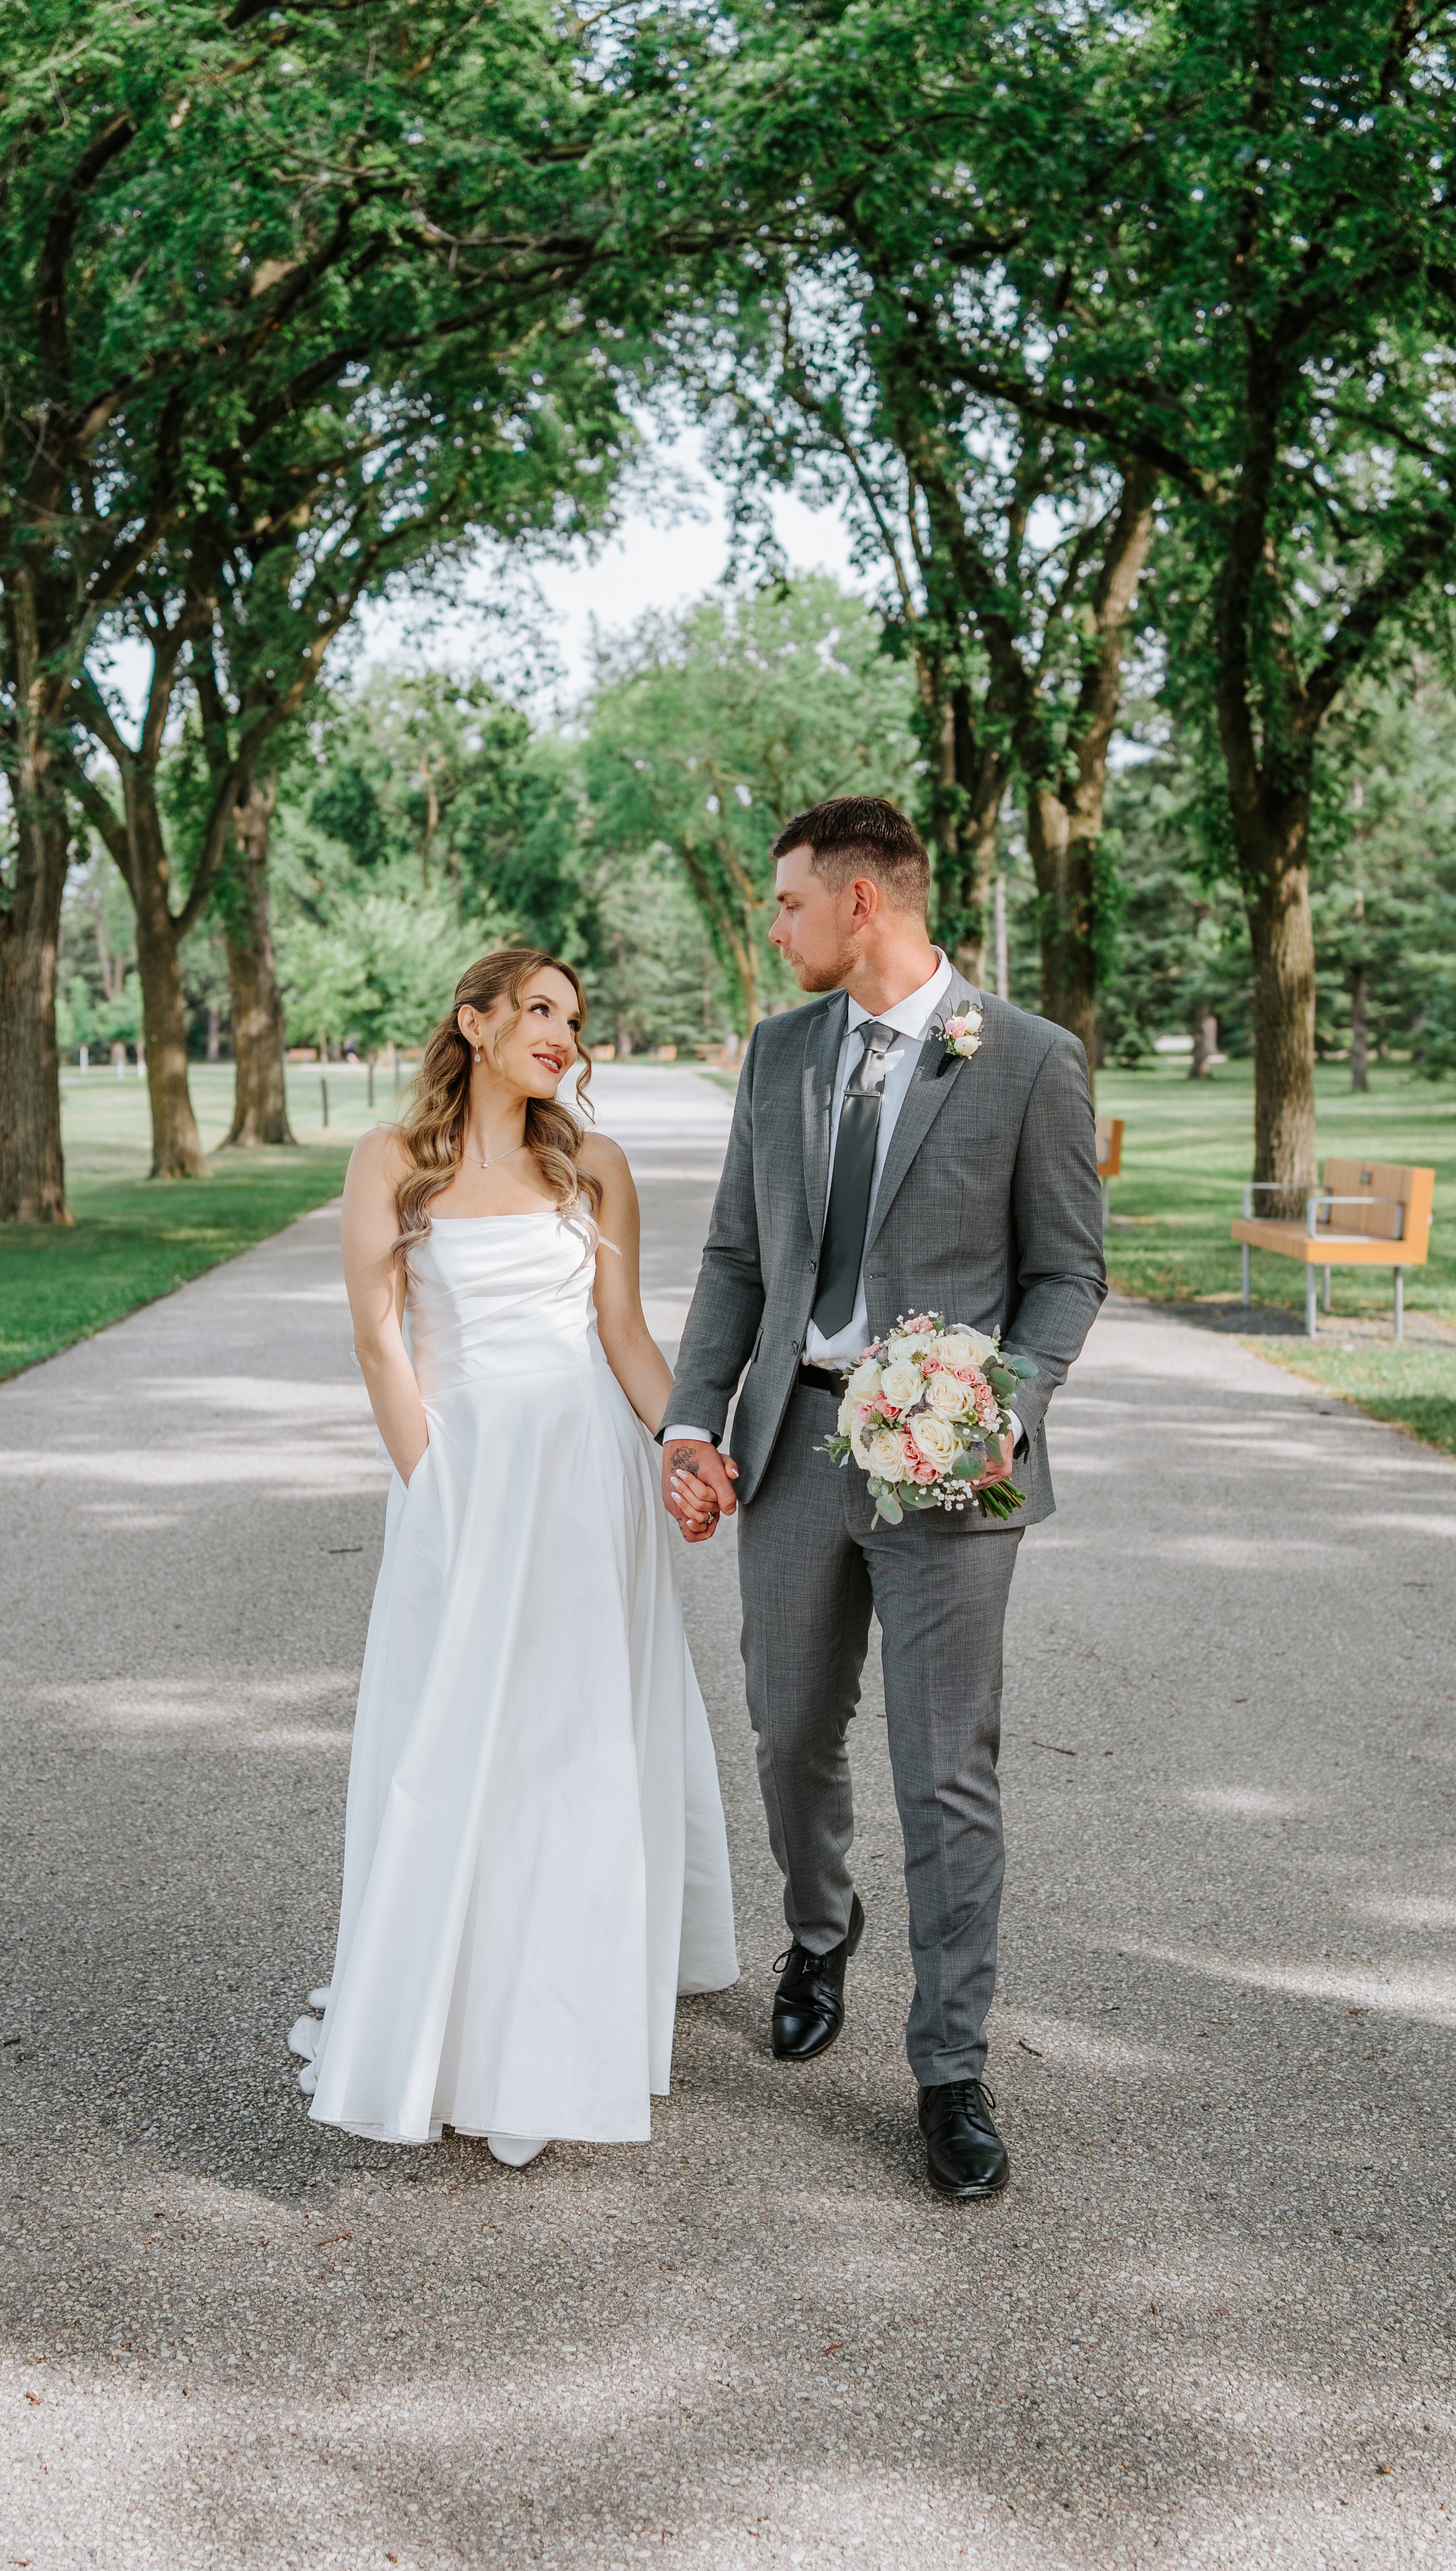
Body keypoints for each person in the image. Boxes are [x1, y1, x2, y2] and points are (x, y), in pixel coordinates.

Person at [661, 799, 1106, 2201]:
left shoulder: (1031, 1060)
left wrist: (999, 1402)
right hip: (792, 1448)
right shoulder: (781, 1050)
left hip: (954, 1474)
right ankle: (821, 1926)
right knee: (789, 1730)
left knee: (945, 1768)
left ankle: (950, 2069)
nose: (774, 927)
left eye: (788, 904)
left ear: (863, 903)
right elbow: (738, 1253)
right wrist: (690, 1412)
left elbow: (1067, 1276)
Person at [289, 947, 737, 2168]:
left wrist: (688, 1445)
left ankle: (549, 2039)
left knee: (567, 1750)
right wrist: (429, 1490)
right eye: (540, 1012)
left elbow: (629, 1338)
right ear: (474, 1022)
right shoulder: (391, 1161)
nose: (563, 1038)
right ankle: (448, 2014)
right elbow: (383, 1349)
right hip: (461, 1480)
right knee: (455, 1741)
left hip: (588, 1480)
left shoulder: (592, 1164)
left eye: (575, 1021)